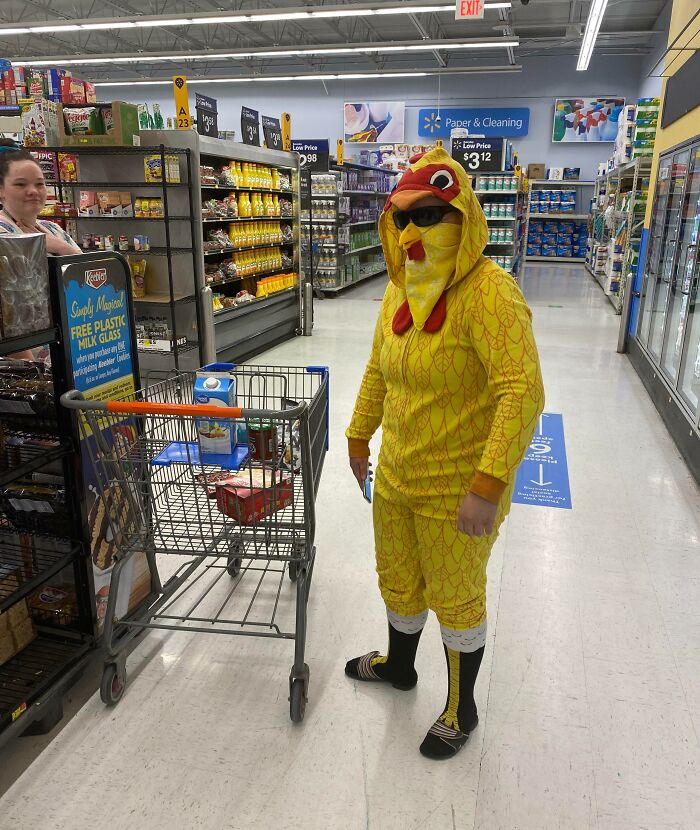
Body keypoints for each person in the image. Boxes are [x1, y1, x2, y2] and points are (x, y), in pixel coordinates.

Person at [344, 147, 545, 760]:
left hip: (458, 488)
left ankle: (462, 706)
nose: (412, 232)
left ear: (465, 217)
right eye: (402, 218)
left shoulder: (491, 293)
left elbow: (522, 392)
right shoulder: (400, 289)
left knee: (456, 595)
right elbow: (378, 368)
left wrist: (488, 486)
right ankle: (399, 666)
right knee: (398, 577)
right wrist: (358, 435)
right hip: (397, 476)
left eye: (429, 216)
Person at [0, 138, 80, 255]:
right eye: (21, 184)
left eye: (39, 184)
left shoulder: (52, 228)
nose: (33, 191)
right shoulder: (3, 233)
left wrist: (61, 247)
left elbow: (88, 266)